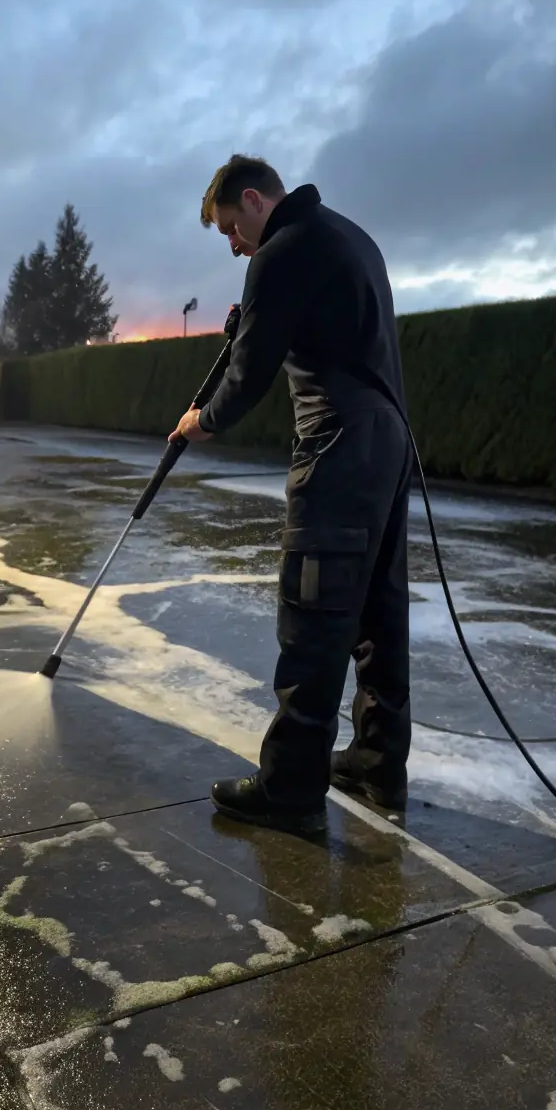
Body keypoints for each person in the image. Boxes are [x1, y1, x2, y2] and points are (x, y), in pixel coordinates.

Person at [169, 154, 413, 835]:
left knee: (313, 608)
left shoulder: (283, 249)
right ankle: (375, 760)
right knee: (375, 614)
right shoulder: (351, 236)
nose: (233, 243)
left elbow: (249, 371)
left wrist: (201, 418)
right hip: (389, 443)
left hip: (336, 444)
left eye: (228, 228)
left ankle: (290, 789)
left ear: (252, 200)